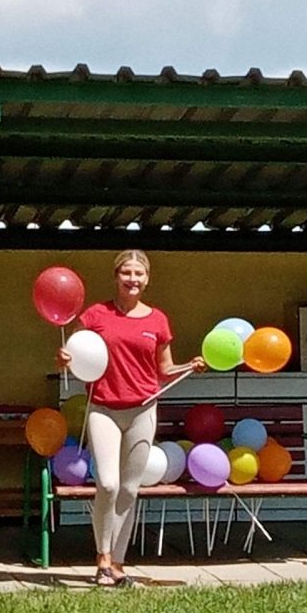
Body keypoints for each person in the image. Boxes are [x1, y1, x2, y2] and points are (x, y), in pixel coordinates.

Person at [62, 250, 204, 587]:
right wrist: (64, 358)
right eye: (126, 273)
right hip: (103, 408)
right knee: (107, 484)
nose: (133, 279)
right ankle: (102, 556)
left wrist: (191, 366)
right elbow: (76, 354)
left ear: (147, 278)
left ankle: (118, 563)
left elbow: (164, 369)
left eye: (139, 273)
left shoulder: (158, 320)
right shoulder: (96, 314)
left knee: (129, 488)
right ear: (116, 277)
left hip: (143, 409)